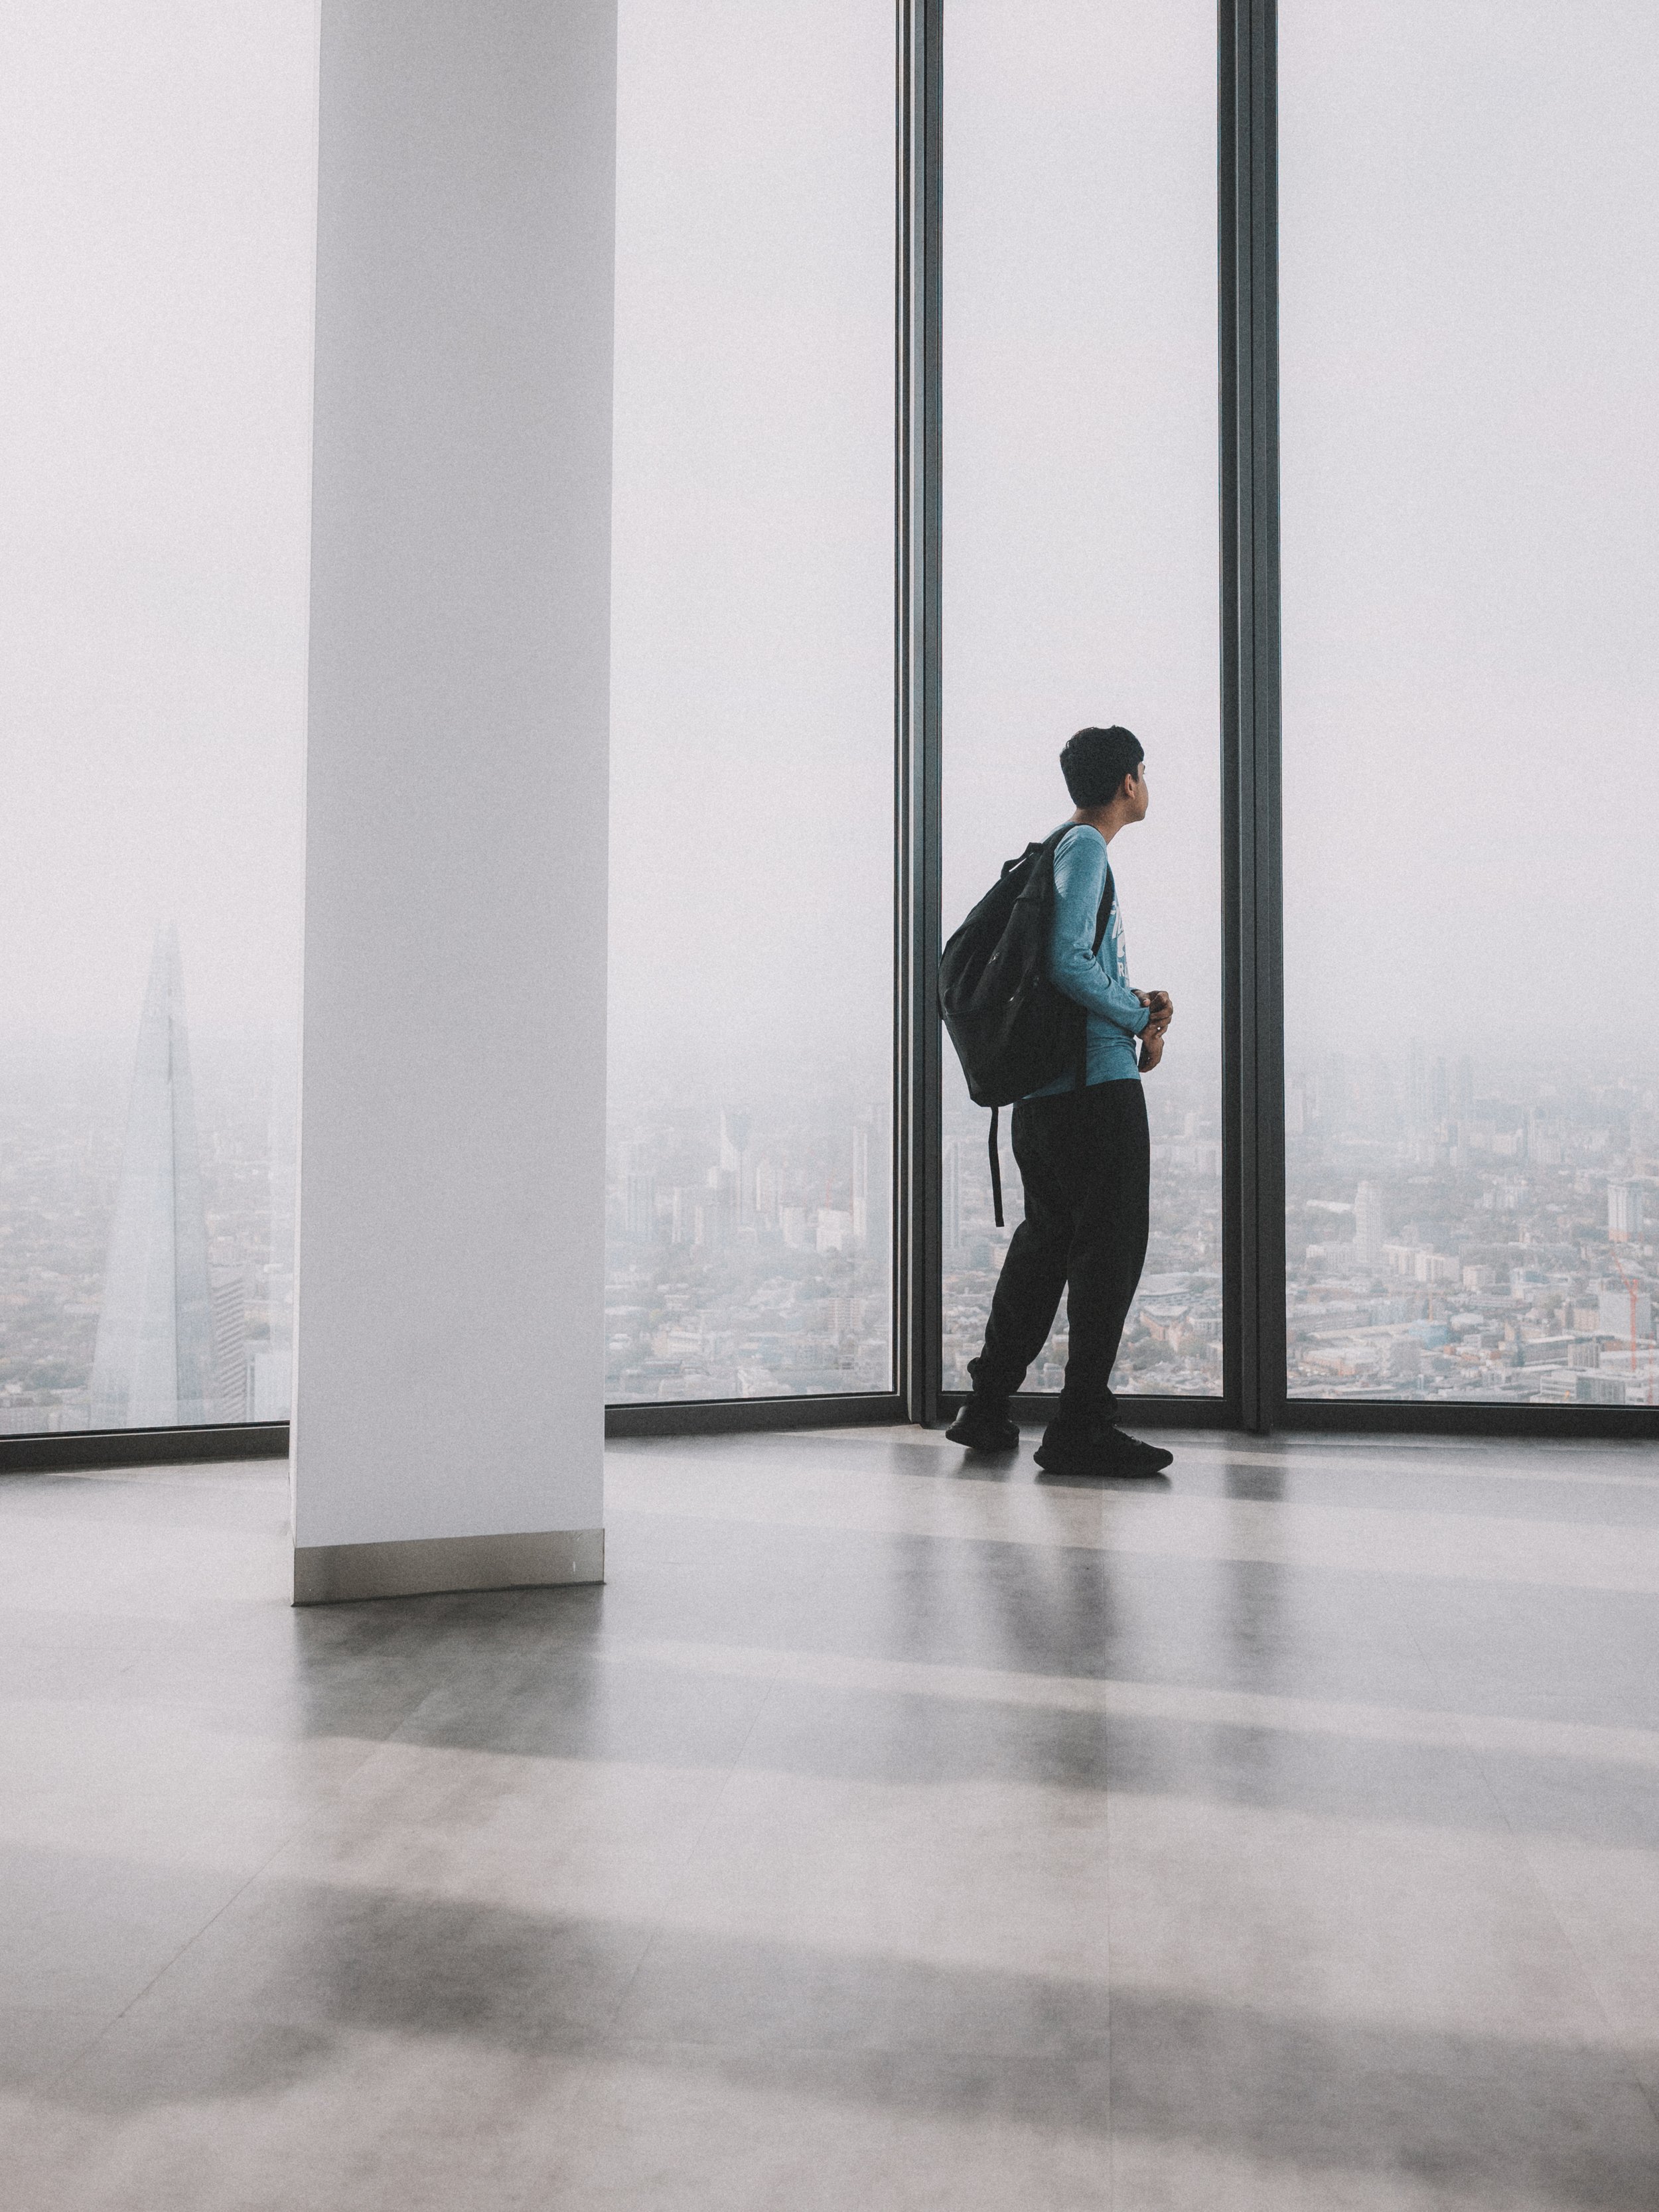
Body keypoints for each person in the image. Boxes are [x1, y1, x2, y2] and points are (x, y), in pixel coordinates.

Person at [946, 725, 1175, 1476]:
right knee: (1108, 1254)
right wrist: (1139, 1016)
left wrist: (1129, 1003)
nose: (1145, 782)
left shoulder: (1051, 847)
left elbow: (1065, 971)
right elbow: (1067, 962)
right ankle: (1080, 1424)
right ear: (1127, 784)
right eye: (1142, 771)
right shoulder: (1086, 849)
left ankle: (986, 1407)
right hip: (1091, 1098)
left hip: (1044, 1101)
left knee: (1044, 1250)